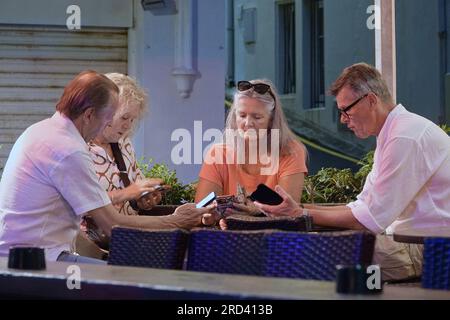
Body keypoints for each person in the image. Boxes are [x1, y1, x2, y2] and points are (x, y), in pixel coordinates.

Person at [253, 63, 450, 281]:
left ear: (371, 100)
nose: (343, 120)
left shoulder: (404, 137)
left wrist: (300, 214)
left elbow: (367, 221)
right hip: (410, 242)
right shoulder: (395, 132)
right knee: (305, 250)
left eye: (346, 110)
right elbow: (360, 208)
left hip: (429, 251)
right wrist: (298, 208)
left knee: (311, 257)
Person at [0, 70, 213, 264]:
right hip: (34, 260)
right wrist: (176, 221)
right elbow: (111, 225)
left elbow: (71, 227)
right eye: (109, 118)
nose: (110, 125)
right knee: (136, 283)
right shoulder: (69, 149)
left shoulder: (42, 130)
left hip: (34, 252)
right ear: (90, 114)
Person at [195, 79, 308, 216]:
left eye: (257, 117)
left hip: (275, 235)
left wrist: (253, 212)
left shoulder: (291, 151)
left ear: (271, 120)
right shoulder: (218, 154)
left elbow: (288, 211)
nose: (248, 123)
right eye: (242, 115)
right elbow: (202, 210)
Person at [82, 73, 162, 250]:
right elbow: (81, 204)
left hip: (127, 242)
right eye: (124, 118)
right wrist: (128, 193)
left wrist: (143, 198)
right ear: (105, 112)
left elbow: (133, 188)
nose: (128, 126)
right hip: (92, 250)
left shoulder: (124, 144)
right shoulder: (79, 149)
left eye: (133, 119)